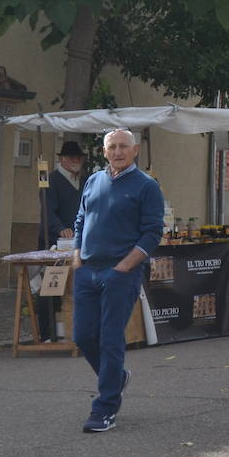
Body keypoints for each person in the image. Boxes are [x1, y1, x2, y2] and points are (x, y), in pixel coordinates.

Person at [71, 129, 164, 433]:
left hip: (120, 273)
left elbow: (152, 233)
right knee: (84, 336)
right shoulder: (94, 180)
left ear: (135, 150)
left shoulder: (146, 186)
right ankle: (117, 378)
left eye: (124, 146)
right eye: (112, 147)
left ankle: (105, 409)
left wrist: (124, 267)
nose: (118, 152)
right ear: (104, 150)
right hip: (88, 270)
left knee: (110, 339)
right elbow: (81, 218)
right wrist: (76, 256)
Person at [36, 140, 86, 342]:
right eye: (71, 157)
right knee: (51, 285)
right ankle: (47, 332)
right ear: (62, 159)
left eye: (78, 158)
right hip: (53, 240)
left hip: (78, 240)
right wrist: (60, 229)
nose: (75, 161)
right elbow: (47, 210)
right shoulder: (50, 180)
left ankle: (71, 328)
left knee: (76, 285)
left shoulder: (84, 181)